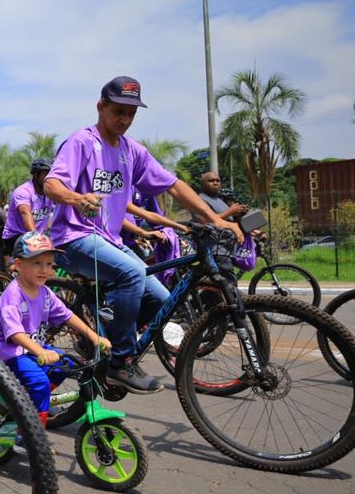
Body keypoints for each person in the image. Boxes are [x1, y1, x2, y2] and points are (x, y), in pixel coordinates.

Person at [43, 76, 241, 394]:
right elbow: (52, 184)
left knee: (164, 301)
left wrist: (216, 218)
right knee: (133, 272)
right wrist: (76, 199)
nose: (124, 120)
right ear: (101, 107)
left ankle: (107, 340)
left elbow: (173, 185)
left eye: (131, 114)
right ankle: (121, 364)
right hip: (74, 238)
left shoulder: (132, 151)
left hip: (111, 242)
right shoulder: (82, 142)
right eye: (118, 111)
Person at [0, 232, 110, 427]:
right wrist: (41, 351)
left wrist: (94, 337)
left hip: (32, 351)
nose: (45, 270)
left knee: (66, 365)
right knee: (40, 383)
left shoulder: (45, 292)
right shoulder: (13, 295)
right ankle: (31, 433)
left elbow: (67, 315)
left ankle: (34, 401)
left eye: (49, 264)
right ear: (18, 265)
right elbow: (15, 334)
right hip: (9, 354)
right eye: (37, 263)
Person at [2, 159, 55, 262]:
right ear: (36, 175)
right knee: (38, 260)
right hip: (15, 236)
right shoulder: (23, 192)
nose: (49, 178)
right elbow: (26, 214)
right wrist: (37, 238)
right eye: (46, 174)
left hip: (38, 234)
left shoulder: (49, 191)